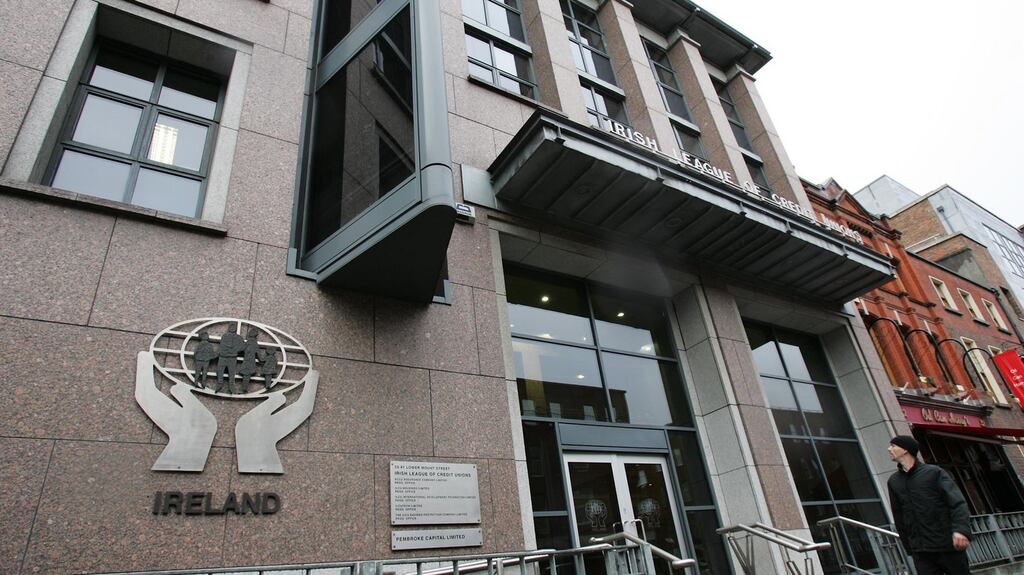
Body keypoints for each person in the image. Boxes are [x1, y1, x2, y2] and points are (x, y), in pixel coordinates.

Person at [887, 435, 972, 575]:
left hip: (947, 546)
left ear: (905, 450)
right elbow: (899, 516)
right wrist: (909, 546)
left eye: (893, 446)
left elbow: (957, 503)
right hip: (921, 552)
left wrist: (961, 530)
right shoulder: (894, 481)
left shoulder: (934, 472)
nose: (889, 449)